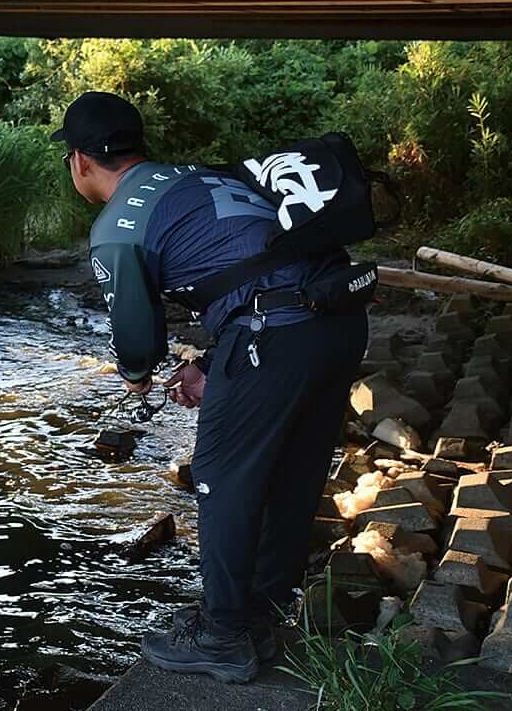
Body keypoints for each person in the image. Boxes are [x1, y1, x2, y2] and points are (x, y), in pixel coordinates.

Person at [50, 91, 368, 684]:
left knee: (221, 479)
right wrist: (212, 362)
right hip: (338, 320)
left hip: (273, 335)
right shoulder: (196, 176)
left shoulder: (117, 226)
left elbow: (137, 342)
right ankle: (262, 619)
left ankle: (223, 636)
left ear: (80, 161)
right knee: (293, 475)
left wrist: (139, 378)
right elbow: (255, 264)